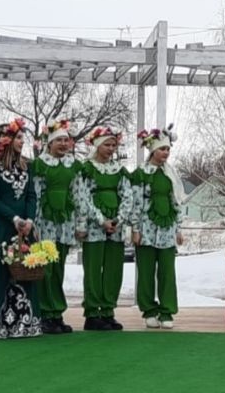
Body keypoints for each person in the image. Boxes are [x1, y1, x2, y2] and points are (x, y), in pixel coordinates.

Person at [0, 118, 42, 340]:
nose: (23, 142)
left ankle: (24, 323)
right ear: (7, 140)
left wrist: (30, 219)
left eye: (23, 138)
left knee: (25, 270)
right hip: (2, 228)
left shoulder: (27, 167)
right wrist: (13, 218)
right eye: (19, 138)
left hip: (24, 229)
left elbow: (31, 196)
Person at [76, 127, 133, 331]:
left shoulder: (119, 170)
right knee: (93, 269)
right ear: (97, 145)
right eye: (107, 145)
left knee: (113, 268)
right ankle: (92, 313)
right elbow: (83, 198)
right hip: (94, 225)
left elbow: (128, 196)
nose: (110, 149)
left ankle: (108, 310)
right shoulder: (87, 169)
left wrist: (119, 219)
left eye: (113, 145)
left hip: (115, 226)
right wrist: (101, 220)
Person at [130, 126, 185, 329]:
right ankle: (149, 309)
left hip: (167, 229)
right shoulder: (140, 174)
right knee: (145, 271)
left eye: (168, 150)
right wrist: (135, 228)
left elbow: (176, 201)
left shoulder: (170, 174)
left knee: (167, 271)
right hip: (146, 228)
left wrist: (178, 228)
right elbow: (135, 202)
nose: (166, 153)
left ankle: (166, 310)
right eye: (162, 149)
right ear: (153, 150)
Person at [33, 119, 84, 335]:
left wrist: (80, 224)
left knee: (59, 269)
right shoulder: (41, 165)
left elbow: (79, 194)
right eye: (59, 140)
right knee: (46, 269)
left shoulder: (72, 165)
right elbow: (35, 195)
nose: (64, 144)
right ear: (49, 143)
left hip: (64, 222)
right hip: (45, 223)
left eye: (66, 140)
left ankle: (57, 313)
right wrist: (33, 224)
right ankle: (45, 313)